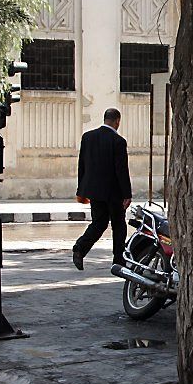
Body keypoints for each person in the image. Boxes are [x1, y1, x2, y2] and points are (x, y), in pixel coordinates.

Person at [72, 108, 132, 270]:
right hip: (113, 192)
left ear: (105, 119)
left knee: (99, 223)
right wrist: (127, 194)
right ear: (117, 121)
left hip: (94, 191)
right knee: (119, 224)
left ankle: (80, 247)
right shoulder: (118, 141)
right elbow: (121, 169)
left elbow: (82, 165)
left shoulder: (88, 137)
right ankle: (118, 259)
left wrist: (81, 190)